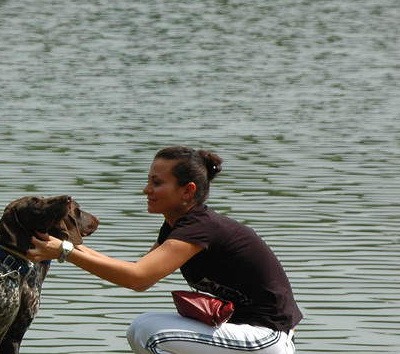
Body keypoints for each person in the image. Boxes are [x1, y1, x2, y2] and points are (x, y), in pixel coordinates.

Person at [26, 146, 302, 354]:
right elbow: (143, 276)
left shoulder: (200, 227)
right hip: (243, 332)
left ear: (187, 191)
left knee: (152, 334)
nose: (147, 189)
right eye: (149, 181)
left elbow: (135, 277)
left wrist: (64, 252)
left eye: (157, 183)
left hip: (269, 337)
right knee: (139, 327)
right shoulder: (177, 226)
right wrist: (65, 247)